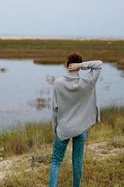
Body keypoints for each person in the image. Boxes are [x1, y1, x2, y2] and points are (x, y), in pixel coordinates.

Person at [48, 52, 103, 187]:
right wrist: (82, 66)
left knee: (55, 161)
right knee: (77, 161)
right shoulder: (87, 82)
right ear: (78, 66)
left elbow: (54, 109)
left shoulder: (58, 83)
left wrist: (55, 128)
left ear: (67, 64)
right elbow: (98, 64)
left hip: (64, 129)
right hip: (81, 129)